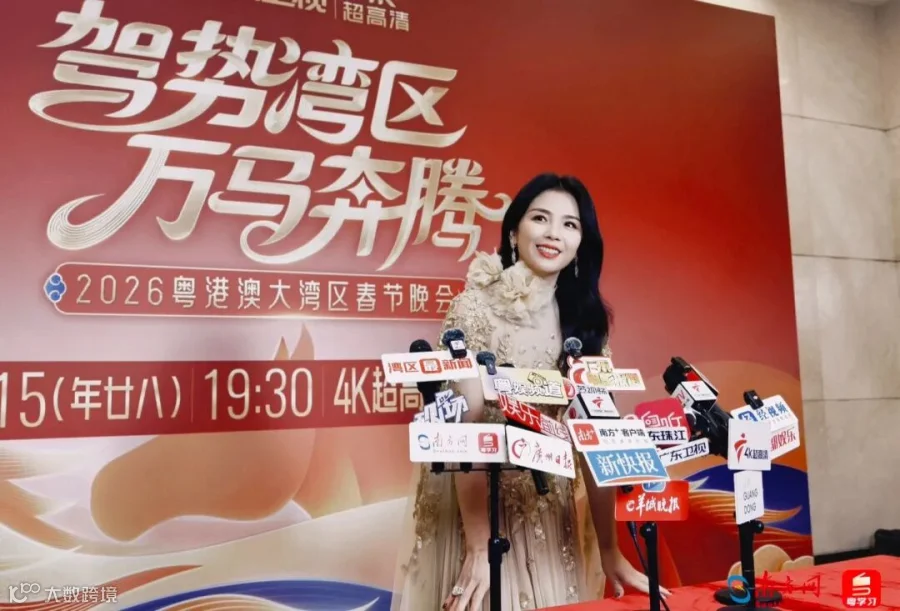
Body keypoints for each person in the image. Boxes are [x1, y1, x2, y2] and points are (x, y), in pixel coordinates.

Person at [392, 173, 668, 611]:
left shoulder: (586, 324)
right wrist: (478, 547)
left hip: (546, 508)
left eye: (569, 224)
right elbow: (464, 426)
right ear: (513, 232)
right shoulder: (474, 307)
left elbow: (597, 438)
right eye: (540, 218)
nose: (554, 233)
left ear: (581, 242)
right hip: (476, 506)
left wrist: (610, 550)